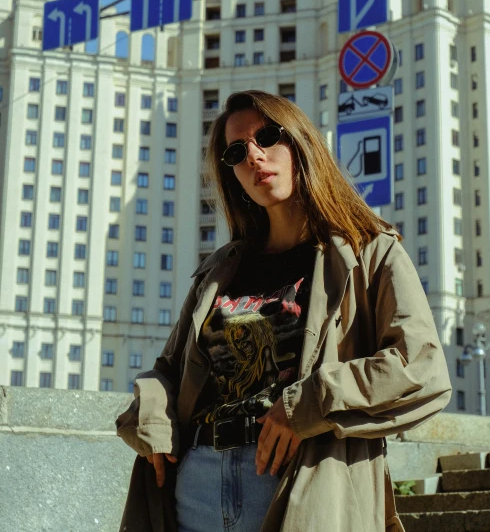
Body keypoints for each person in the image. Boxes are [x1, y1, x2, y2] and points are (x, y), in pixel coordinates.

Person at [116, 89, 452, 532]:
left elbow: (420, 367)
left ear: (300, 142)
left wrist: (305, 404)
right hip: (193, 485)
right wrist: (152, 419)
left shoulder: (369, 251)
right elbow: (170, 370)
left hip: (301, 483)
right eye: (236, 152)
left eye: (268, 137)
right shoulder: (221, 268)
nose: (253, 156)